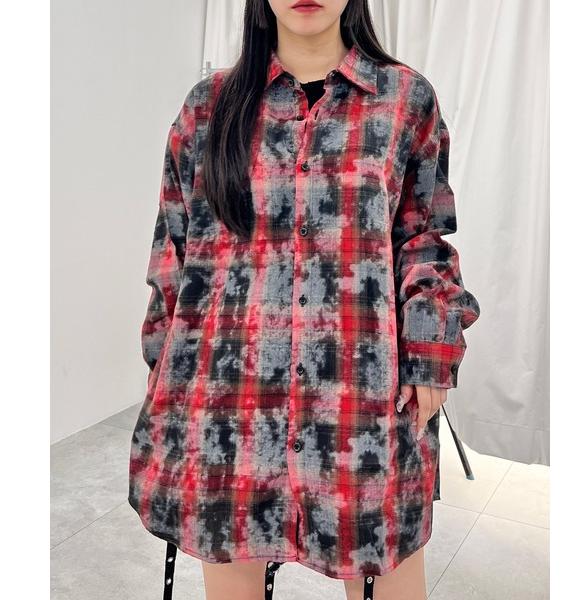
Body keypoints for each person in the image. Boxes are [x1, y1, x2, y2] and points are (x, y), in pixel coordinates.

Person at [127, 1, 481, 599]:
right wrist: (166, 372)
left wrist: (431, 350)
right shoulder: (207, 108)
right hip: (228, 406)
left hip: (362, 402)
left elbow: (423, 237)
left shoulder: (403, 99)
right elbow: (173, 251)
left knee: (388, 572)